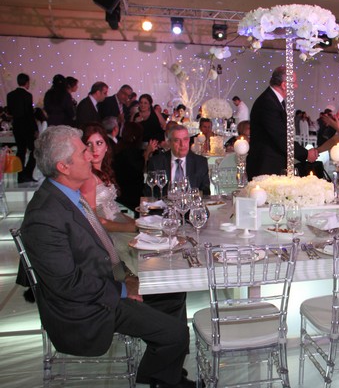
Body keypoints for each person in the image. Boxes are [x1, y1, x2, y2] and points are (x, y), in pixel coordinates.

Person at [20, 126, 195, 387]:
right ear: (63, 167)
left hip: (103, 285)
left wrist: (126, 277)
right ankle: (160, 378)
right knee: (177, 332)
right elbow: (67, 284)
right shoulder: (44, 217)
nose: (91, 155)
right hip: (87, 308)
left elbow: (99, 249)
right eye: (83, 151)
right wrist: (123, 289)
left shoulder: (69, 196)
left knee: (174, 294)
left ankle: (167, 374)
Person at [246, 66, 318, 179]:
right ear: (284, 85)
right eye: (294, 83)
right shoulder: (268, 102)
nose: (296, 86)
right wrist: (305, 154)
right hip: (265, 167)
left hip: (272, 164)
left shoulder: (274, 100)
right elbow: (281, 137)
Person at [80, 123, 138, 233]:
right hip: (105, 233)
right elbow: (92, 220)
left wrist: (137, 223)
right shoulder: (88, 178)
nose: (94, 149)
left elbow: (114, 211)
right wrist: (132, 228)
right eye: (89, 144)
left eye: (99, 143)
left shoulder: (105, 171)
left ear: (106, 147)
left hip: (117, 224)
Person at [146, 124, 210, 197]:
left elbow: (206, 193)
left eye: (185, 139)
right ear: (169, 142)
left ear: (189, 140)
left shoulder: (200, 162)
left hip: (191, 203)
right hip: (164, 203)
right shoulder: (156, 162)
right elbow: (149, 193)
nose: (182, 144)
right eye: (177, 140)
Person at [7, 73, 37, 183]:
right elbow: (29, 114)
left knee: (20, 151)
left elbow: (10, 111)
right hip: (27, 126)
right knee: (34, 150)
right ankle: (28, 173)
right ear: (27, 83)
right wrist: (35, 128)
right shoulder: (27, 95)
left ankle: (20, 175)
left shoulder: (10, 95)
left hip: (17, 126)